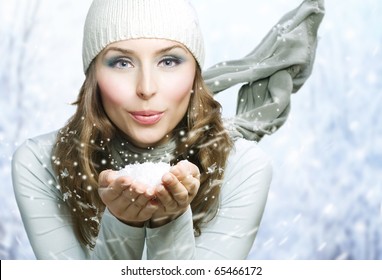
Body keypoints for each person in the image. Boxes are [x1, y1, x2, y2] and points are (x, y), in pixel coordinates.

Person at [11, 0, 324, 259]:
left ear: (195, 75)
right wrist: (122, 225)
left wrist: (169, 222)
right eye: (122, 63)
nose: (146, 88)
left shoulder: (242, 165)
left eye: (169, 61)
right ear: (93, 75)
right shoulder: (41, 163)